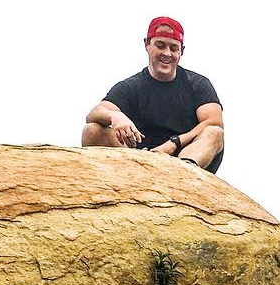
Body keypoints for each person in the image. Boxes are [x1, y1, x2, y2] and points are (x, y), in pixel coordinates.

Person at [82, 16, 224, 173]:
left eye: (173, 48)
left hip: (184, 157)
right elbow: (93, 114)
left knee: (214, 132)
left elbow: (214, 121)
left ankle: (182, 175)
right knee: (92, 130)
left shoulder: (198, 84)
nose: (167, 53)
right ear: (147, 45)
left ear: (181, 51)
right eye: (160, 45)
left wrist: (173, 144)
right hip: (141, 160)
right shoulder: (131, 86)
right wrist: (115, 116)